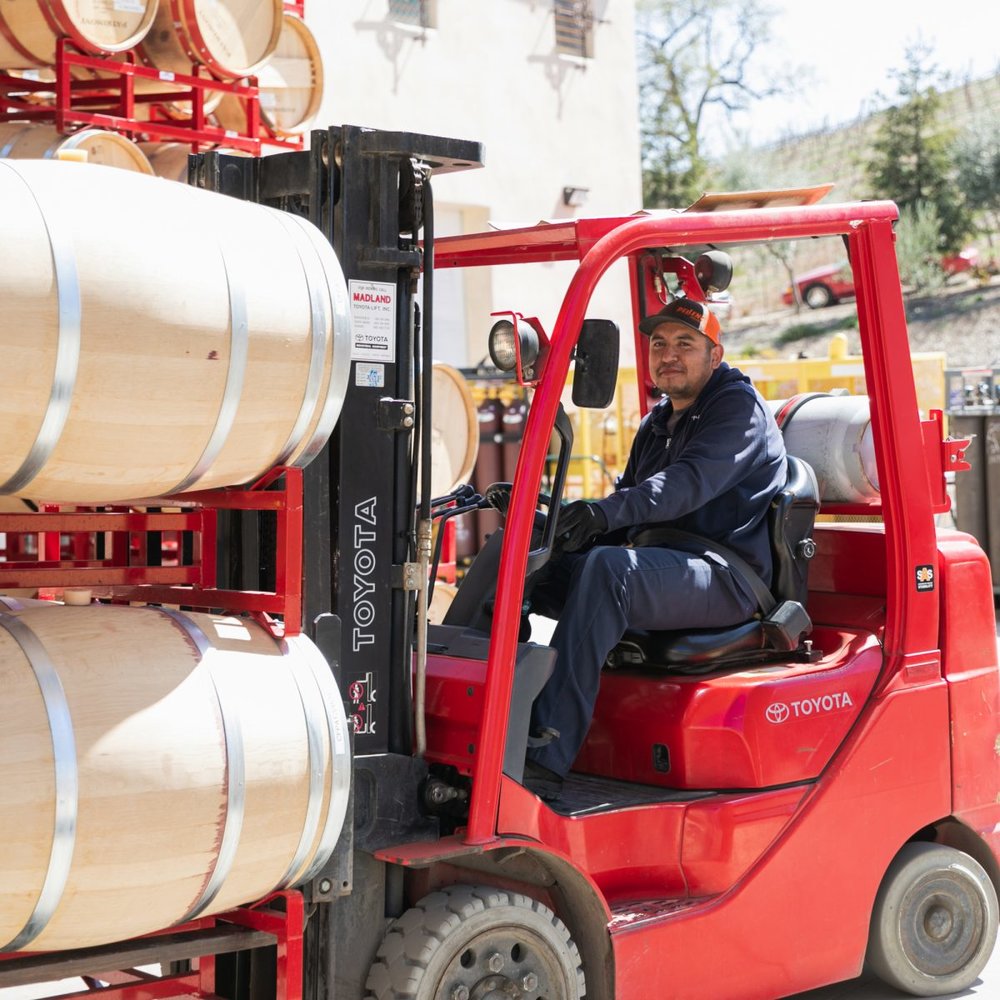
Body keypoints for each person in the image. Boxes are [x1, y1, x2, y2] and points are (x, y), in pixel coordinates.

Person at [523, 297, 787, 800]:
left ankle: (542, 757)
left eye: (685, 344)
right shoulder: (657, 422)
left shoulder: (737, 409)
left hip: (726, 575)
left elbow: (685, 485)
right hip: (665, 567)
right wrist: (556, 526)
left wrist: (604, 515)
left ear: (715, 354)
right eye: (659, 344)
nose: (669, 354)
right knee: (523, 559)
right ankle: (477, 719)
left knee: (608, 571)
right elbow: (628, 507)